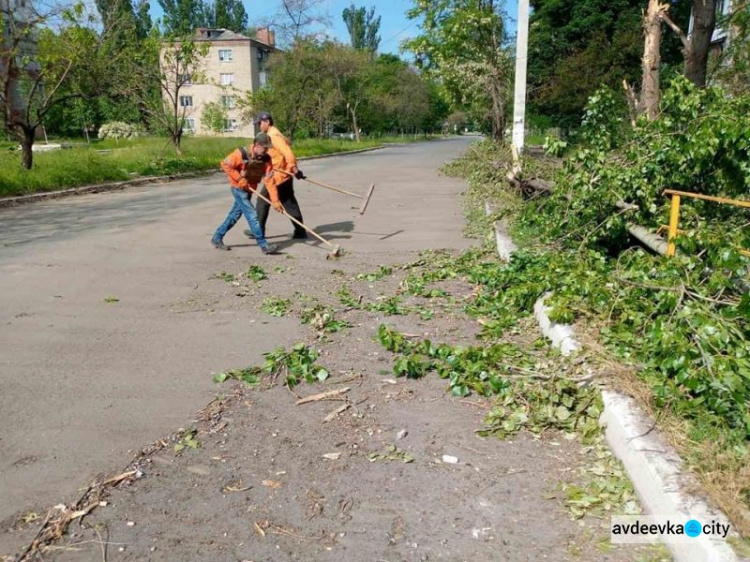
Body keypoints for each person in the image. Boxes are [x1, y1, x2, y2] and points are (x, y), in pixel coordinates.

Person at [211, 132, 282, 254]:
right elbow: (225, 164)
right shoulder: (241, 153)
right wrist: (239, 179)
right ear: (257, 145)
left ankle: (217, 238)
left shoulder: (266, 159)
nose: (266, 151)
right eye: (265, 148)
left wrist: (275, 201)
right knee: (252, 216)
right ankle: (264, 246)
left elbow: (269, 180)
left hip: (249, 189)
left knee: (234, 216)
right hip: (238, 189)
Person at [250, 111, 308, 240]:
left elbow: (288, 153)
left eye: (260, 123)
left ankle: (258, 231)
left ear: (267, 122)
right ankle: (300, 231)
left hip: (278, 176)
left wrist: (295, 169)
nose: (259, 126)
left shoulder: (273, 135)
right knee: (289, 203)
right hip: (282, 175)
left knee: (263, 201)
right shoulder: (273, 133)